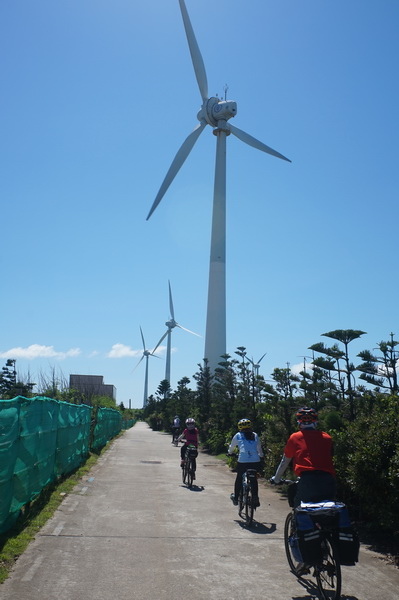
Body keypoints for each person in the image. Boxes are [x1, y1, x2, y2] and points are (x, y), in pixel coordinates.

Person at [270, 407, 336, 507]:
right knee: (328, 508)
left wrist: (277, 478)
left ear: (299, 422)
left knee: (299, 508)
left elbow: (285, 461)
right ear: (316, 421)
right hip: (327, 479)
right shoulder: (327, 437)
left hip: (307, 480)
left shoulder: (295, 437)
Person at [227, 418, 264, 507]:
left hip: (243, 460)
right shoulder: (255, 435)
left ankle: (236, 498)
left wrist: (230, 452)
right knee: (254, 479)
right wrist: (261, 456)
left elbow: (232, 447)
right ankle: (255, 498)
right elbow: (259, 448)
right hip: (255, 460)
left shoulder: (238, 435)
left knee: (239, 478)